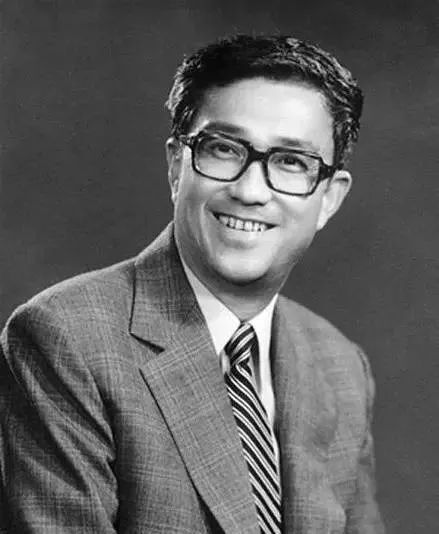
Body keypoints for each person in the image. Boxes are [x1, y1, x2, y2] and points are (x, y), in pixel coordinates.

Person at [0, 34, 385, 533]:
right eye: (223, 149)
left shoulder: (341, 365)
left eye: (292, 161)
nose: (250, 191)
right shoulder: (65, 339)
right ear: (176, 166)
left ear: (329, 198)